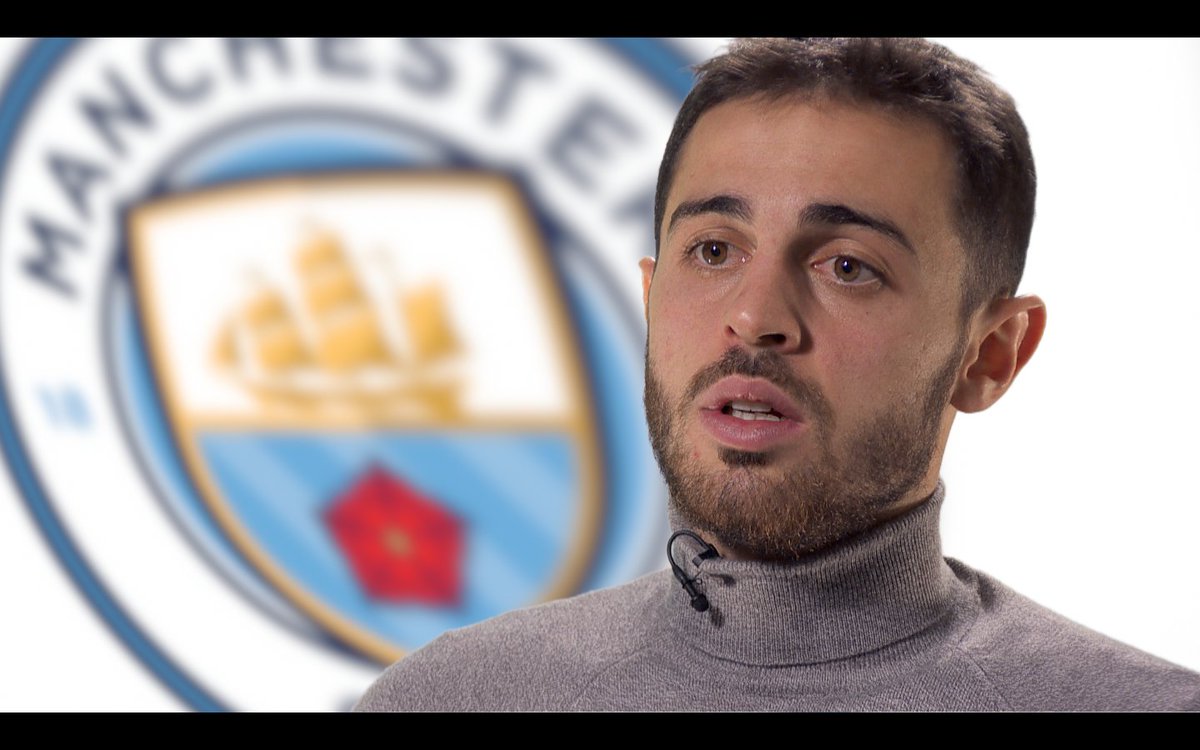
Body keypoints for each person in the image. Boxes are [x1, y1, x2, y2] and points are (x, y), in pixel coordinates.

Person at [355, 38, 1200, 711]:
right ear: (652, 300)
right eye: (714, 250)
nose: (755, 317)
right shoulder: (449, 699)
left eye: (847, 266)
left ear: (990, 356)